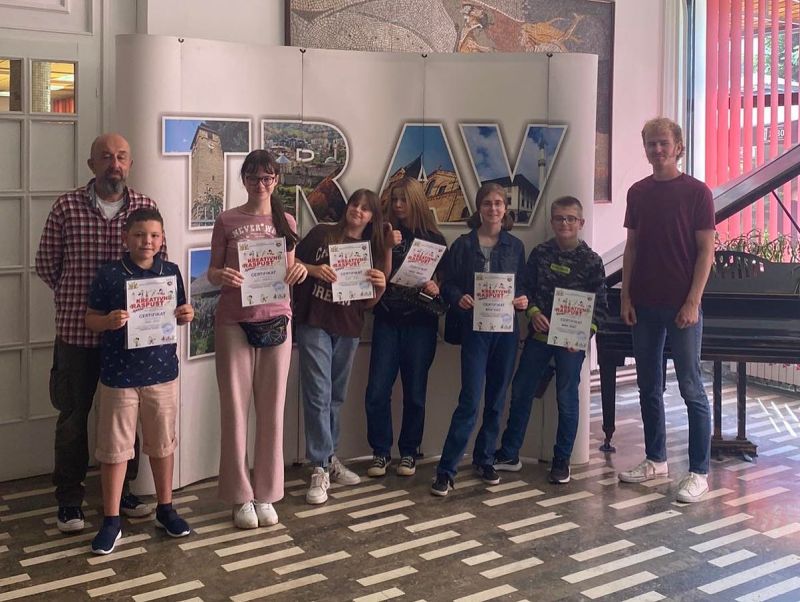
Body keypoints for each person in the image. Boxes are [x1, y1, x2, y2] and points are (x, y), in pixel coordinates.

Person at [35, 133, 159, 533]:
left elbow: (159, 266)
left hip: (128, 338)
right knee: (73, 418)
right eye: (106, 157)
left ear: (130, 163)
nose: (114, 164)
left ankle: (122, 494)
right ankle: (69, 500)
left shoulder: (144, 207)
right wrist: (75, 298)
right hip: (77, 335)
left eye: (121, 157)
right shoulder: (66, 207)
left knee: (125, 419)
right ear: (92, 164)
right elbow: (46, 265)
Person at [208, 150, 308, 528]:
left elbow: (290, 268)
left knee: (272, 412)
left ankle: (267, 493)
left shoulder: (286, 221)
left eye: (267, 178)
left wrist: (299, 271)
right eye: (253, 177)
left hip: (277, 320)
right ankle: (240, 496)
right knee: (235, 411)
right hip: (234, 321)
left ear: (276, 180)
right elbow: (212, 271)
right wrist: (221, 276)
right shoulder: (227, 220)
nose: (260, 184)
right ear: (244, 180)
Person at [85, 209, 193, 554]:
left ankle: (166, 508)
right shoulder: (110, 274)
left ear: (162, 240)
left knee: (163, 444)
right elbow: (90, 319)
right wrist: (108, 321)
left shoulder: (170, 272)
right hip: (119, 375)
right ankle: (111, 520)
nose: (147, 241)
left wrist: (186, 314)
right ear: (125, 238)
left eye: (154, 235)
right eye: (139, 235)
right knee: (115, 449)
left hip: (162, 373)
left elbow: (180, 311)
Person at [618, 117, 715, 503]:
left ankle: (699, 472)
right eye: (651, 144)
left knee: (691, 387)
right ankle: (656, 459)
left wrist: (693, 301)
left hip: (681, 307)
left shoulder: (697, 192)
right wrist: (625, 297)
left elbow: (706, 252)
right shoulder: (637, 192)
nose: (657, 150)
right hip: (643, 304)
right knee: (648, 386)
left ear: (678, 146)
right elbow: (632, 248)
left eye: (663, 143)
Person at [494, 196, 607, 483]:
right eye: (559, 218)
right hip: (539, 337)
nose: (564, 223)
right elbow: (524, 288)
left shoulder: (592, 261)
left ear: (581, 223)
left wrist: (583, 334)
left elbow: (601, 307)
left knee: (566, 398)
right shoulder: (540, 253)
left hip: (571, 344)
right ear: (552, 221)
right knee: (521, 390)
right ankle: (509, 453)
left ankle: (561, 460)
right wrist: (532, 313)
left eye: (571, 218)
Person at [432, 182, 529, 496]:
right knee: (470, 400)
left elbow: (523, 287)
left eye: (498, 203)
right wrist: (457, 297)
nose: (493, 208)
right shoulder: (463, 245)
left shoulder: (515, 246)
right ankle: (446, 470)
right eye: (487, 203)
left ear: (505, 208)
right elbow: (447, 285)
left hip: (506, 333)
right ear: (478, 208)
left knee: (497, 399)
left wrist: (523, 300)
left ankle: (484, 458)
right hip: (475, 332)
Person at [294, 189, 390, 504]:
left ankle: (330, 458)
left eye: (365, 208)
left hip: (348, 327)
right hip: (315, 321)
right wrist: (313, 270)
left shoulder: (371, 249)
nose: (357, 211)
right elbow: (291, 261)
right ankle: (319, 467)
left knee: (335, 397)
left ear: (372, 217)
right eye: (354, 204)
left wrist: (381, 285)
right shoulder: (322, 234)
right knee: (317, 394)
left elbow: (369, 303)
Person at [364, 177, 447, 478]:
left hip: (421, 322)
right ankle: (380, 451)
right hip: (387, 319)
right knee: (377, 390)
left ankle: (410, 451)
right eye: (394, 199)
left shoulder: (435, 239)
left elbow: (444, 282)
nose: (398, 205)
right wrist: (387, 246)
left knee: (415, 392)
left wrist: (436, 287)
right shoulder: (380, 233)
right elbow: (373, 275)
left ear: (416, 201)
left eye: (404, 199)